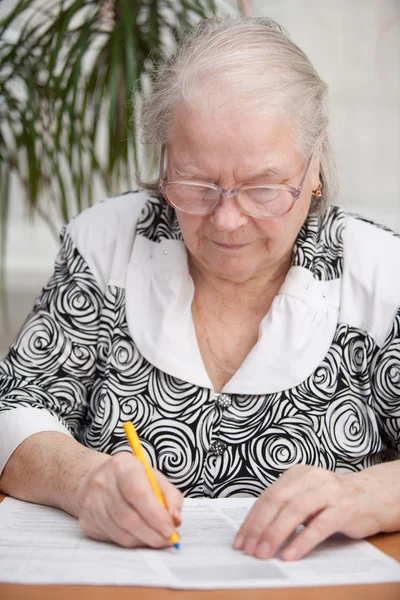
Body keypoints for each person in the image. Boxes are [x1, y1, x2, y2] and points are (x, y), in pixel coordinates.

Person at [0, 16, 399, 562]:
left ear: (314, 167)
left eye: (262, 187)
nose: (227, 220)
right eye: (196, 183)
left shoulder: (379, 274)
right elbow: (14, 411)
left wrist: (367, 493)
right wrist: (86, 478)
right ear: (165, 160)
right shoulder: (107, 247)